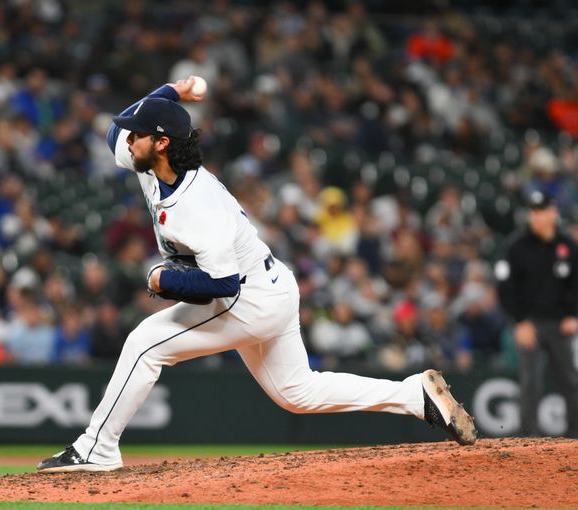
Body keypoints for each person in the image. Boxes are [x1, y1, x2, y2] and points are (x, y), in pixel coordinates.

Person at [36, 78, 477, 473]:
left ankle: (97, 448)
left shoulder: (196, 207)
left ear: (163, 143)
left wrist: (162, 282)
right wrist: (173, 89)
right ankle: (414, 396)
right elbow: (116, 130)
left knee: (145, 345)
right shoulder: (150, 162)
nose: (128, 140)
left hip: (246, 298)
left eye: (139, 135)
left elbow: (222, 285)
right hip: (273, 285)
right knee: (297, 393)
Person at [495, 190, 578, 438]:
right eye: (533, 212)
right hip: (529, 323)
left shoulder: (567, 246)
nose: (536, 217)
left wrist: (573, 314)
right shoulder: (516, 246)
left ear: (553, 213)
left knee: (570, 381)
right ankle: (528, 438)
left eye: (541, 211)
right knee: (531, 382)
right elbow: (505, 287)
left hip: (559, 323)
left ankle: (575, 435)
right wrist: (519, 322)